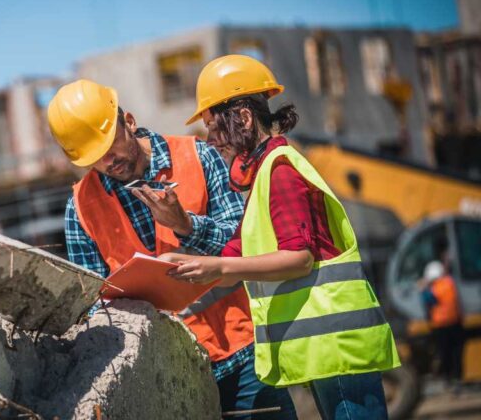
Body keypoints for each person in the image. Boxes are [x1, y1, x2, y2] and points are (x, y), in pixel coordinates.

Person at [160, 55, 401, 419]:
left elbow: (299, 258)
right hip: (326, 349)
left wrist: (218, 264)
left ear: (242, 117)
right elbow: (234, 255)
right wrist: (176, 262)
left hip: (338, 347)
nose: (210, 140)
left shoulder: (281, 171)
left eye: (213, 126)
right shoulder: (262, 176)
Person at [48, 79, 296, 417]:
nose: (109, 160)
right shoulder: (81, 208)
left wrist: (186, 225)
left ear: (129, 122)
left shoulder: (198, 156)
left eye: (111, 145)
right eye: (95, 156)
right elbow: (91, 307)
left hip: (242, 358)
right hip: (164, 381)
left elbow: (247, 246)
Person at [420, 260, 464, 387]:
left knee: (445, 353)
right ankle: (457, 379)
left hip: (440, 326)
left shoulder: (434, 288)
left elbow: (429, 301)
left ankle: (448, 378)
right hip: (455, 322)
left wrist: (423, 289)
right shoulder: (450, 282)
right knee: (456, 353)